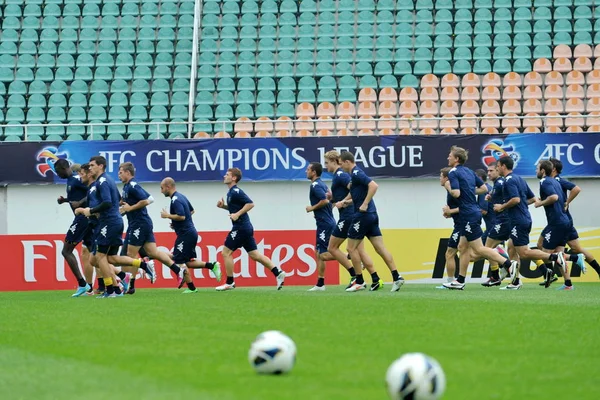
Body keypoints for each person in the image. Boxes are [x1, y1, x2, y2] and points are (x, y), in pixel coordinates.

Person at [493, 155, 579, 290]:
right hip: (524, 219)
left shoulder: (510, 180)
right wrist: (520, 206)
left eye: (497, 166)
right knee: (511, 247)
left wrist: (501, 207)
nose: (496, 168)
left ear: (503, 166)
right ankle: (516, 281)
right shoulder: (519, 179)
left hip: (520, 221)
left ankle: (555, 257)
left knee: (524, 253)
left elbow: (515, 199)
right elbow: (532, 199)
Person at [442, 147, 519, 290]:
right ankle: (460, 280)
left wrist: (447, 186)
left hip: (468, 214)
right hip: (472, 213)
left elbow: (457, 193)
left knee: (479, 248)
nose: (448, 158)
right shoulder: (470, 172)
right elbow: (484, 188)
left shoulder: (453, 172)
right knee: (462, 247)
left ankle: (508, 264)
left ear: (457, 159)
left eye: (450, 155)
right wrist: (470, 191)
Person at [78, 156, 153, 297]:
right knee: (108, 258)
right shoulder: (102, 182)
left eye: (92, 165)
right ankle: (141, 266)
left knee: (100, 257)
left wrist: (91, 211)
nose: (90, 168)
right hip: (110, 222)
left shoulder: (103, 181)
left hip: (109, 222)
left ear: (100, 166)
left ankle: (111, 290)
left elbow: (107, 202)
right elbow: (117, 200)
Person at [119, 162, 191, 294]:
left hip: (139, 223)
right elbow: (127, 206)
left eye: (121, 172)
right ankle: (178, 270)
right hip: (141, 223)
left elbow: (149, 199)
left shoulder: (133, 185)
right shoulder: (126, 187)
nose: (119, 175)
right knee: (152, 252)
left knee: (130, 254)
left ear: (128, 173)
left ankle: (133, 280)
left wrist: (130, 208)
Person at [338, 152, 405, 292]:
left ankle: (360, 281)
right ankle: (396, 276)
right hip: (372, 216)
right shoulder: (355, 175)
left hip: (362, 215)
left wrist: (365, 204)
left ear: (347, 162)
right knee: (380, 248)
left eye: (341, 163)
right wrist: (347, 202)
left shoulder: (356, 172)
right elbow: (359, 194)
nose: (340, 166)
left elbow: (374, 186)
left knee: (351, 248)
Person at [215, 168, 286, 291]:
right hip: (245, 227)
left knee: (225, 252)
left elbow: (250, 203)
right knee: (254, 255)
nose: (224, 176)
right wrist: (224, 207)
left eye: (227, 175)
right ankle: (278, 272)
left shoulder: (236, 191)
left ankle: (230, 282)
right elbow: (236, 209)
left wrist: (237, 214)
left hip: (241, 227)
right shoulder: (230, 192)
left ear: (234, 178)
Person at [323, 150, 380, 290]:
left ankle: (355, 276)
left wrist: (345, 201)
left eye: (326, 163)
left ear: (334, 161)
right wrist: (335, 199)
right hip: (353, 214)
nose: (326, 166)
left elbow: (354, 188)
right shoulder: (340, 175)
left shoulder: (340, 175)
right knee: (359, 250)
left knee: (332, 247)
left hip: (348, 216)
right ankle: (375, 278)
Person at [160, 177, 221, 293]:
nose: (161, 191)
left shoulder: (175, 200)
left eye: (162, 188)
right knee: (187, 262)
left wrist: (168, 216)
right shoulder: (181, 196)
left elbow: (182, 216)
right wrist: (176, 223)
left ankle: (192, 288)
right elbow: (191, 211)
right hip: (189, 232)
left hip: (185, 234)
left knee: (178, 261)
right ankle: (212, 266)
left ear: (168, 187)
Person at [534, 160, 585, 290]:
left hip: (557, 223)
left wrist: (540, 203)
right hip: (564, 221)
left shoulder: (544, 181)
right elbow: (558, 197)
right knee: (558, 252)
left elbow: (554, 197)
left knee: (545, 254)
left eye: (537, 168)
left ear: (543, 171)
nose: (536, 171)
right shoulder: (555, 181)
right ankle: (568, 283)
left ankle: (575, 258)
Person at [55, 159, 92, 297]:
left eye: (58, 171)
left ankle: (82, 284)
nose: (57, 174)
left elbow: (92, 191)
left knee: (66, 251)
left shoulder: (76, 179)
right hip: (84, 220)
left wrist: (80, 203)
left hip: (82, 219)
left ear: (64, 167)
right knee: (95, 253)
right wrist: (65, 200)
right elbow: (77, 197)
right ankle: (121, 277)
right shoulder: (71, 181)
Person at [305, 162, 336, 291]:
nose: (306, 171)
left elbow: (324, 200)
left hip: (325, 223)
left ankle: (350, 257)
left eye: (308, 169)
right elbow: (331, 198)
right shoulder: (323, 184)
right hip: (325, 221)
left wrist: (312, 208)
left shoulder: (316, 185)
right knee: (317, 252)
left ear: (314, 172)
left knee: (323, 254)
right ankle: (320, 283)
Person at [439, 167, 460, 288]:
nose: (439, 179)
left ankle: (451, 281)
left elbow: (465, 206)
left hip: (462, 225)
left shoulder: (453, 190)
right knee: (473, 254)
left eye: (441, 176)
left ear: (447, 178)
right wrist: (449, 213)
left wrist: (450, 211)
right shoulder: (450, 190)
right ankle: (500, 257)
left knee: (449, 253)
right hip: (460, 223)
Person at [475, 168, 494, 243]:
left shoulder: (483, 191)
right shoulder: (490, 187)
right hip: (494, 225)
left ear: (479, 178)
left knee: (482, 246)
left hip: (492, 226)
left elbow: (483, 211)